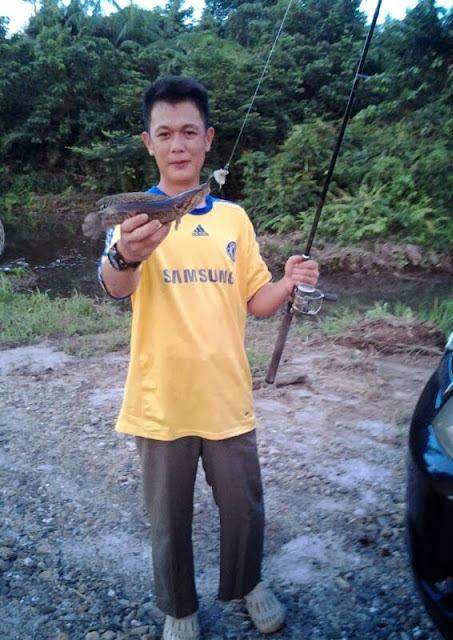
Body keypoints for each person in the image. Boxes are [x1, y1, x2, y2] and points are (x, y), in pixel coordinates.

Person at [98, 75, 319, 640]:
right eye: (165, 133)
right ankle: (178, 606)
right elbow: (115, 287)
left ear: (208, 139)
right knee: (168, 518)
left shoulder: (234, 219)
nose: (178, 144)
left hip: (227, 394)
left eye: (189, 132)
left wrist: (288, 282)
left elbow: (256, 300)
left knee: (244, 507)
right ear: (148, 142)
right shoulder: (135, 216)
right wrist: (124, 255)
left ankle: (248, 581)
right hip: (161, 400)